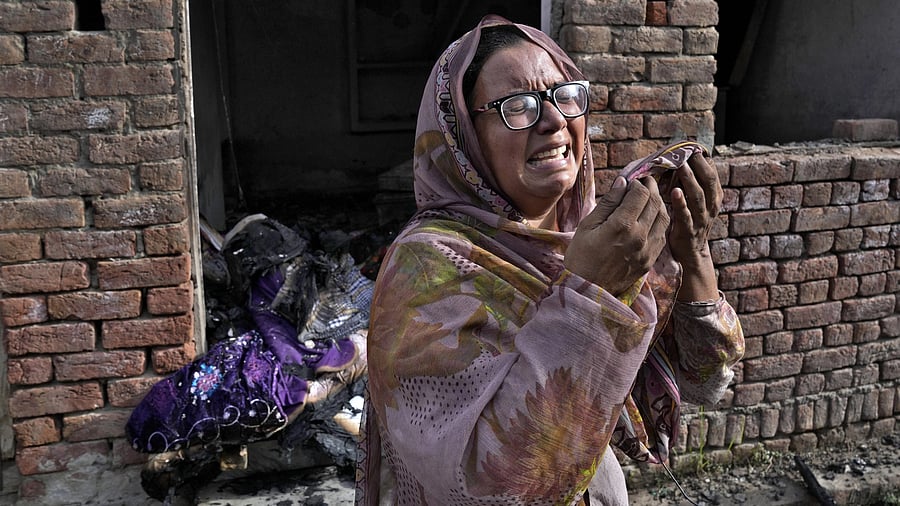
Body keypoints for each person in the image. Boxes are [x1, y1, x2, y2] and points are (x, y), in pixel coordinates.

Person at [355, 15, 744, 506]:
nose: (555, 120)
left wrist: (695, 254)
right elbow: (490, 488)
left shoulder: (592, 238)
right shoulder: (425, 270)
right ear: (462, 137)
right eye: (517, 106)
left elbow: (706, 380)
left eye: (566, 96)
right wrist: (590, 297)